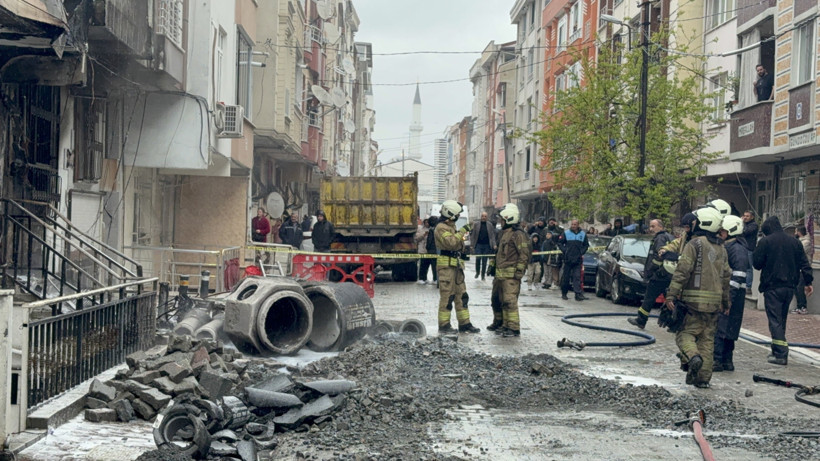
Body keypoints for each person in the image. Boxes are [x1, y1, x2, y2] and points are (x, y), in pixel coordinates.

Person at [665, 206, 731, 388]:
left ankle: (693, 357)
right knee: (707, 341)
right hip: (714, 305)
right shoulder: (721, 249)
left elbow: (682, 271)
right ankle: (702, 380)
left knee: (684, 335)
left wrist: (671, 295)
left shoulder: (694, 245)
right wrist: (726, 302)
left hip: (693, 304)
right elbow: (726, 277)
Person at [753, 216, 814, 365]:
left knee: (774, 320)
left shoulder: (765, 242)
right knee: (781, 320)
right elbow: (804, 263)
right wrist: (808, 281)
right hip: (789, 287)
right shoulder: (794, 242)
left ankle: (780, 354)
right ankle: (777, 348)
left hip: (772, 286)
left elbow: (757, 264)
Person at [435, 200, 480, 334]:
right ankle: (444, 325)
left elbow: (458, 244)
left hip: (456, 268)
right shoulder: (441, 227)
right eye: (457, 214)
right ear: (451, 214)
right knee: (447, 297)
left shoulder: (451, 226)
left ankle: (465, 324)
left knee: (462, 296)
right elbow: (451, 243)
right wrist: (463, 231)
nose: (458, 217)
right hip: (446, 269)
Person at [487, 203, 530, 337]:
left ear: (509, 219)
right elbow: (498, 252)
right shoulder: (503, 234)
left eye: (503, 219)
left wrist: (519, 272)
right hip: (500, 275)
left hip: (511, 276)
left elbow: (524, 254)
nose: (501, 222)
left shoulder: (518, 235)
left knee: (509, 302)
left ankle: (513, 327)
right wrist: (492, 266)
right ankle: (502, 324)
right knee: (497, 300)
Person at [713, 215, 749, 372]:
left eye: (722, 231)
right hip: (732, 296)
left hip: (731, 296)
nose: (720, 234)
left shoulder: (736, 249)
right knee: (728, 328)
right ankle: (726, 361)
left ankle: (719, 361)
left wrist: (727, 300)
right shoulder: (733, 247)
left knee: (723, 327)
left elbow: (738, 276)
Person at [628, 219, 674, 329]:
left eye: (653, 226)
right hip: (668, 275)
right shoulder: (670, 237)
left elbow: (659, 257)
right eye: (650, 226)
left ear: (661, 227)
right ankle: (675, 322)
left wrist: (652, 271)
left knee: (649, 298)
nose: (651, 229)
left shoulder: (660, 238)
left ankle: (641, 320)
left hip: (659, 276)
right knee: (670, 299)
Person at [558, 219, 589, 301]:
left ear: (578, 225)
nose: (573, 226)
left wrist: (581, 252)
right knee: (566, 277)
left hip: (577, 259)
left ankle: (577, 294)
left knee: (577, 277)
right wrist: (565, 251)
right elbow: (560, 243)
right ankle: (564, 293)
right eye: (572, 224)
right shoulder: (566, 233)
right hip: (568, 259)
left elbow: (586, 245)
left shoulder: (583, 234)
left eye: (575, 224)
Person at [470, 211, 497, 280]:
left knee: (484, 261)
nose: (483, 217)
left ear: (487, 217)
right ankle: (477, 272)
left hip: (487, 245)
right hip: (478, 244)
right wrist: (472, 245)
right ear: (481, 217)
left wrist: (494, 244)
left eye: (485, 216)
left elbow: (492, 236)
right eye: (482, 216)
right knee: (478, 258)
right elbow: (473, 235)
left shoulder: (490, 225)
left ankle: (483, 275)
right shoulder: (476, 224)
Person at [793, 226, 813, 314]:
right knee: (796, 288)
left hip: (804, 269)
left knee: (800, 287)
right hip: (797, 268)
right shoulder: (798, 241)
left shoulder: (806, 242)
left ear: (799, 232)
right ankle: (798, 306)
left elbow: (798, 252)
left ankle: (803, 307)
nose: (794, 233)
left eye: (795, 231)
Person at [741, 210, 758, 291]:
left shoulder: (754, 225)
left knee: (748, 268)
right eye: (744, 216)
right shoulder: (745, 224)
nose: (745, 218)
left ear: (752, 217)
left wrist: (742, 223)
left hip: (749, 249)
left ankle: (748, 286)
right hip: (742, 247)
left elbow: (746, 232)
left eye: (747, 216)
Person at [419, 216, 439, 284]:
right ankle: (434, 279)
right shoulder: (437, 229)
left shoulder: (431, 230)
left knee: (428, 265)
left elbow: (429, 241)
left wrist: (428, 247)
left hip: (430, 251)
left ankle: (433, 279)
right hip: (433, 251)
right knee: (433, 265)